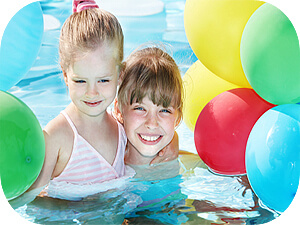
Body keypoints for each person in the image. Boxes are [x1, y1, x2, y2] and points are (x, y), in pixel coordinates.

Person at [115, 46, 183, 167]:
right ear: (118, 110)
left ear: (178, 117)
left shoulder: (191, 165)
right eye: (140, 108)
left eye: (164, 110)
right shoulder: (107, 162)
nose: (152, 124)